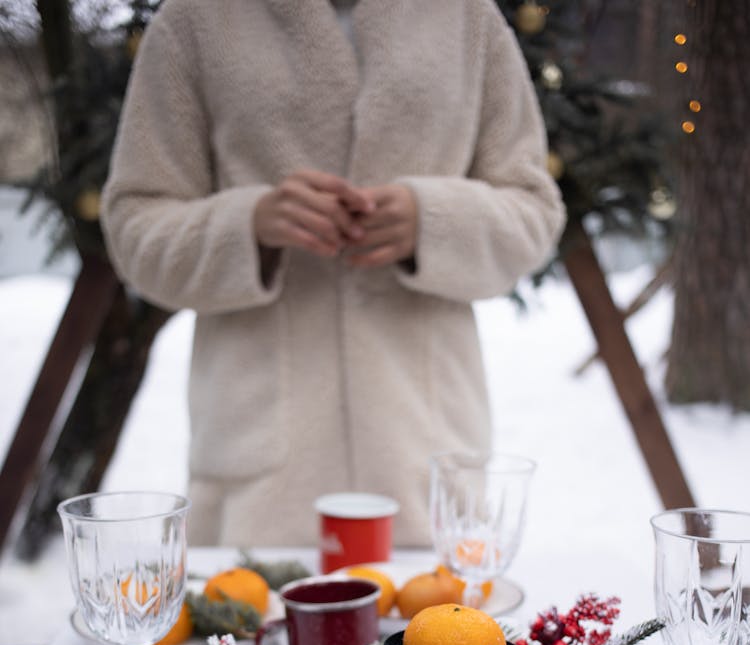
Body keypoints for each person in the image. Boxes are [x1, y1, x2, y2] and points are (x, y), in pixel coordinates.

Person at [101, 0, 565, 548]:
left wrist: (431, 219)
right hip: (260, 466)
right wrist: (249, 225)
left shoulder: (466, 17)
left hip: (425, 454)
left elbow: (534, 212)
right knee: (252, 624)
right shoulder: (197, 20)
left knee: (439, 633)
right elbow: (135, 227)